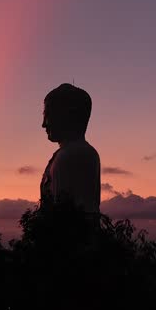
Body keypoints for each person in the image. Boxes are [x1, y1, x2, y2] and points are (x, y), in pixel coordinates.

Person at [40, 83, 101, 224]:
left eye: (48, 114)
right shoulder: (65, 154)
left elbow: (74, 218)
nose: (44, 124)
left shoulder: (75, 154)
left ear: (68, 115)